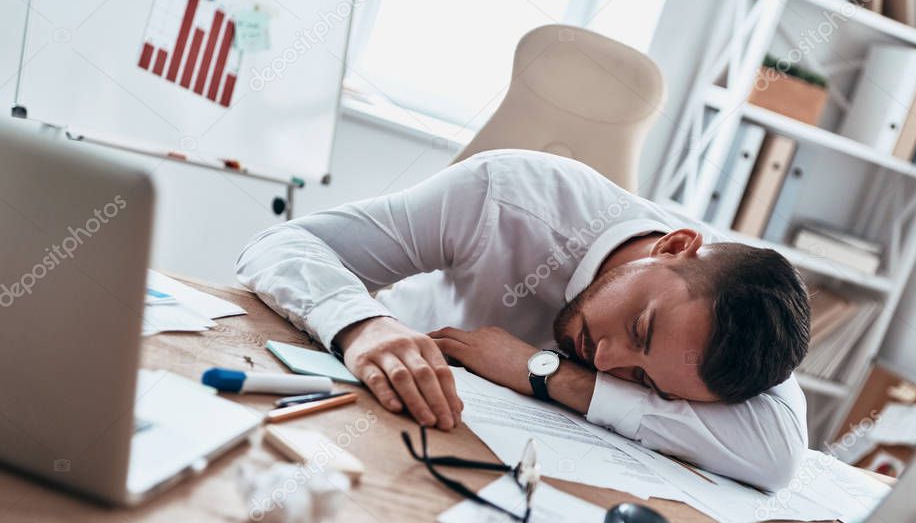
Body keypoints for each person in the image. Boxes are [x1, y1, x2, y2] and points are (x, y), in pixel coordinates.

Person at [236, 150, 811, 490]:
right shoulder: (507, 195)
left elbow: (779, 454)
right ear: (675, 246)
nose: (606, 360)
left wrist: (544, 373)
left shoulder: (736, 329)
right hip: (381, 411)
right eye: (641, 329)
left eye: (643, 381)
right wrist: (364, 324)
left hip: (504, 475)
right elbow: (280, 243)